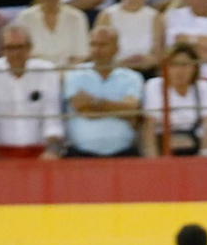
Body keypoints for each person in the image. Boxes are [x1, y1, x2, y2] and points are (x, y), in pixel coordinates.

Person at [0, 25, 62, 156]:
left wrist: (52, 151)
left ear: (30, 48)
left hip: (40, 150)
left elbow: (52, 115)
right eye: (10, 48)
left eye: (20, 47)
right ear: (2, 50)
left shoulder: (47, 71)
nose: (16, 53)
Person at [62, 25, 145, 155]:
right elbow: (79, 105)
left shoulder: (132, 77)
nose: (96, 50)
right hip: (81, 155)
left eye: (102, 45)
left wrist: (94, 103)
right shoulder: (75, 74)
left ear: (116, 48)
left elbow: (131, 109)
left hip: (124, 154)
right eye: (93, 45)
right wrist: (119, 111)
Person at [143, 40, 207, 154]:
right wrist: (154, 161)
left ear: (194, 67)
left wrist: (204, 154)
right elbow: (149, 126)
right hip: (163, 145)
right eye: (174, 65)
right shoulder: (154, 86)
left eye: (184, 65)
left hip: (195, 144)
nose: (179, 71)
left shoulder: (204, 87)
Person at [12, 0, 90, 65]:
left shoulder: (77, 17)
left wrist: (63, 76)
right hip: (35, 74)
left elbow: (81, 55)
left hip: (69, 75)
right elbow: (22, 55)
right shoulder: (24, 17)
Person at [97, 0, 163, 73]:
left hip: (146, 72)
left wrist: (145, 61)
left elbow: (159, 56)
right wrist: (122, 63)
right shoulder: (107, 15)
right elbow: (99, 54)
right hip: (114, 72)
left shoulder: (155, 17)